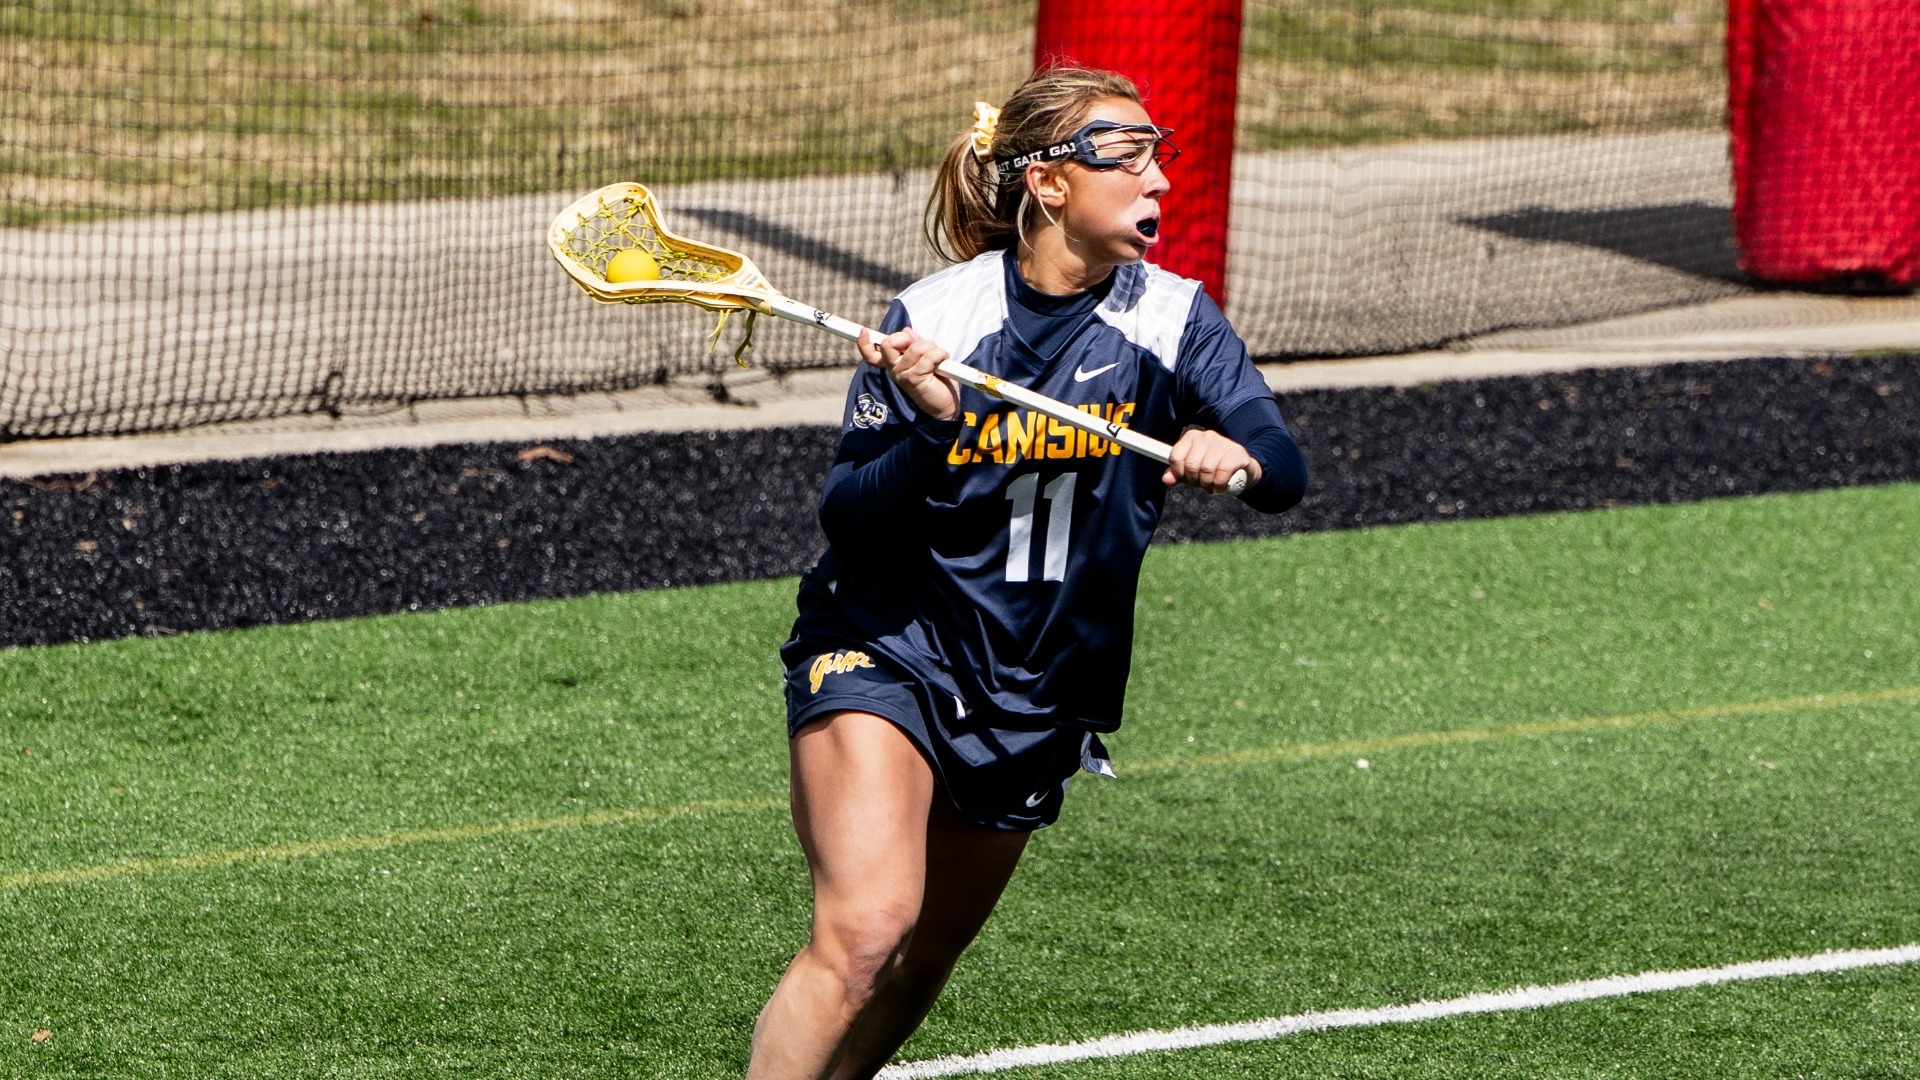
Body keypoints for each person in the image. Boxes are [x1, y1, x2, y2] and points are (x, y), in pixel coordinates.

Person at [745, 64, 1309, 1079]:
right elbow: (849, 516)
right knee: (869, 931)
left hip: (1040, 683)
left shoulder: (1173, 318)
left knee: (918, 967)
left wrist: (1239, 455)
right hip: (889, 642)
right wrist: (929, 425)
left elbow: (1284, 468)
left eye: (1158, 157)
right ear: (1050, 183)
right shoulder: (940, 316)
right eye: (1128, 159)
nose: (1160, 184)